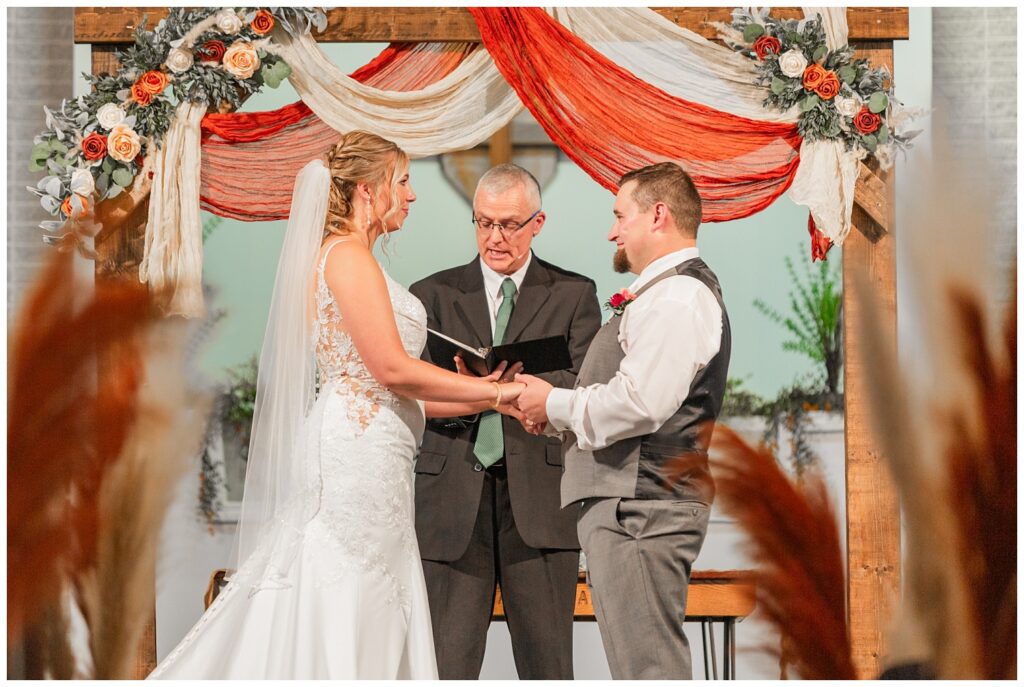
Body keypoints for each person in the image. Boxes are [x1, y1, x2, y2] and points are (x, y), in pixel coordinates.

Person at [149, 131, 526, 680]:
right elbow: (392, 369)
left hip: (379, 447)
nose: (412, 196)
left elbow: (399, 393)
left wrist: (494, 402)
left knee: (374, 586)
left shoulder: (354, 258)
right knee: (349, 583)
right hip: (355, 458)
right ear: (368, 191)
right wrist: (496, 392)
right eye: (403, 181)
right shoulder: (346, 257)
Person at [515, 162, 731, 680]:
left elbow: (641, 402)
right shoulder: (663, 293)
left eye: (619, 215)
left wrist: (557, 404)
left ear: (658, 215)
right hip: (633, 507)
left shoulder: (679, 296)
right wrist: (548, 411)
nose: (612, 231)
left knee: (648, 669)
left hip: (644, 507)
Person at [409, 164, 601, 679]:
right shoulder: (431, 296)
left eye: (510, 224)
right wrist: (479, 390)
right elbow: (413, 390)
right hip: (451, 492)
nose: (495, 237)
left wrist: (520, 389)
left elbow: (587, 387)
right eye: (483, 222)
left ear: (538, 222)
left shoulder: (574, 294)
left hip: (539, 498)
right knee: (446, 665)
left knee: (549, 665)